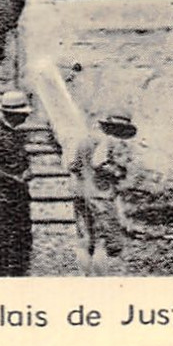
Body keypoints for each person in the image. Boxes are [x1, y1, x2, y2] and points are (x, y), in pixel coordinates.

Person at [68, 108, 144, 276]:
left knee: (84, 239)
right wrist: (117, 172)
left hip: (81, 194)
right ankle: (101, 282)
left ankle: (86, 277)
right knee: (102, 242)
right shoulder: (108, 141)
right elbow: (98, 162)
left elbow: (73, 166)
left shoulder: (84, 140)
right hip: (100, 196)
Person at [0, 89, 34, 277]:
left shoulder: (18, 135)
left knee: (22, 238)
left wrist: (27, 170)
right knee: (2, 240)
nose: (26, 116)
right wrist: (13, 178)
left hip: (19, 196)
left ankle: (19, 276)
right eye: (23, 113)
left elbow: (23, 160)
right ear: (12, 114)